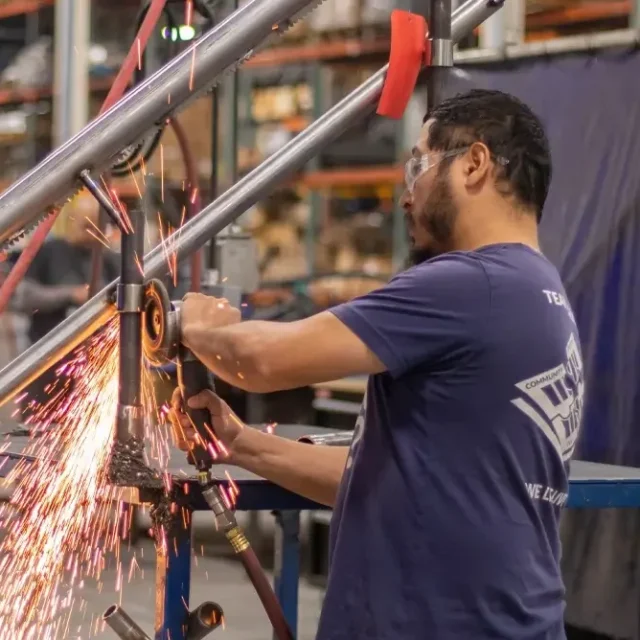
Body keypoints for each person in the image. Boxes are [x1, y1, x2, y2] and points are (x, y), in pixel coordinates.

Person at [170, 89, 584, 639]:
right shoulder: (537, 291)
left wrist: (195, 321)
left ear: (475, 165)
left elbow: (261, 362)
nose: (407, 193)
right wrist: (240, 442)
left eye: (419, 164)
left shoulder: (468, 284)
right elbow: (383, 479)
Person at [18, 192, 119, 417]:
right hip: (46, 364)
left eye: (96, 226)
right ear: (72, 220)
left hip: (94, 367)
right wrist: (70, 294)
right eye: (85, 225)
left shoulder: (108, 259)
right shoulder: (49, 252)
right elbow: (25, 297)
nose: (90, 232)